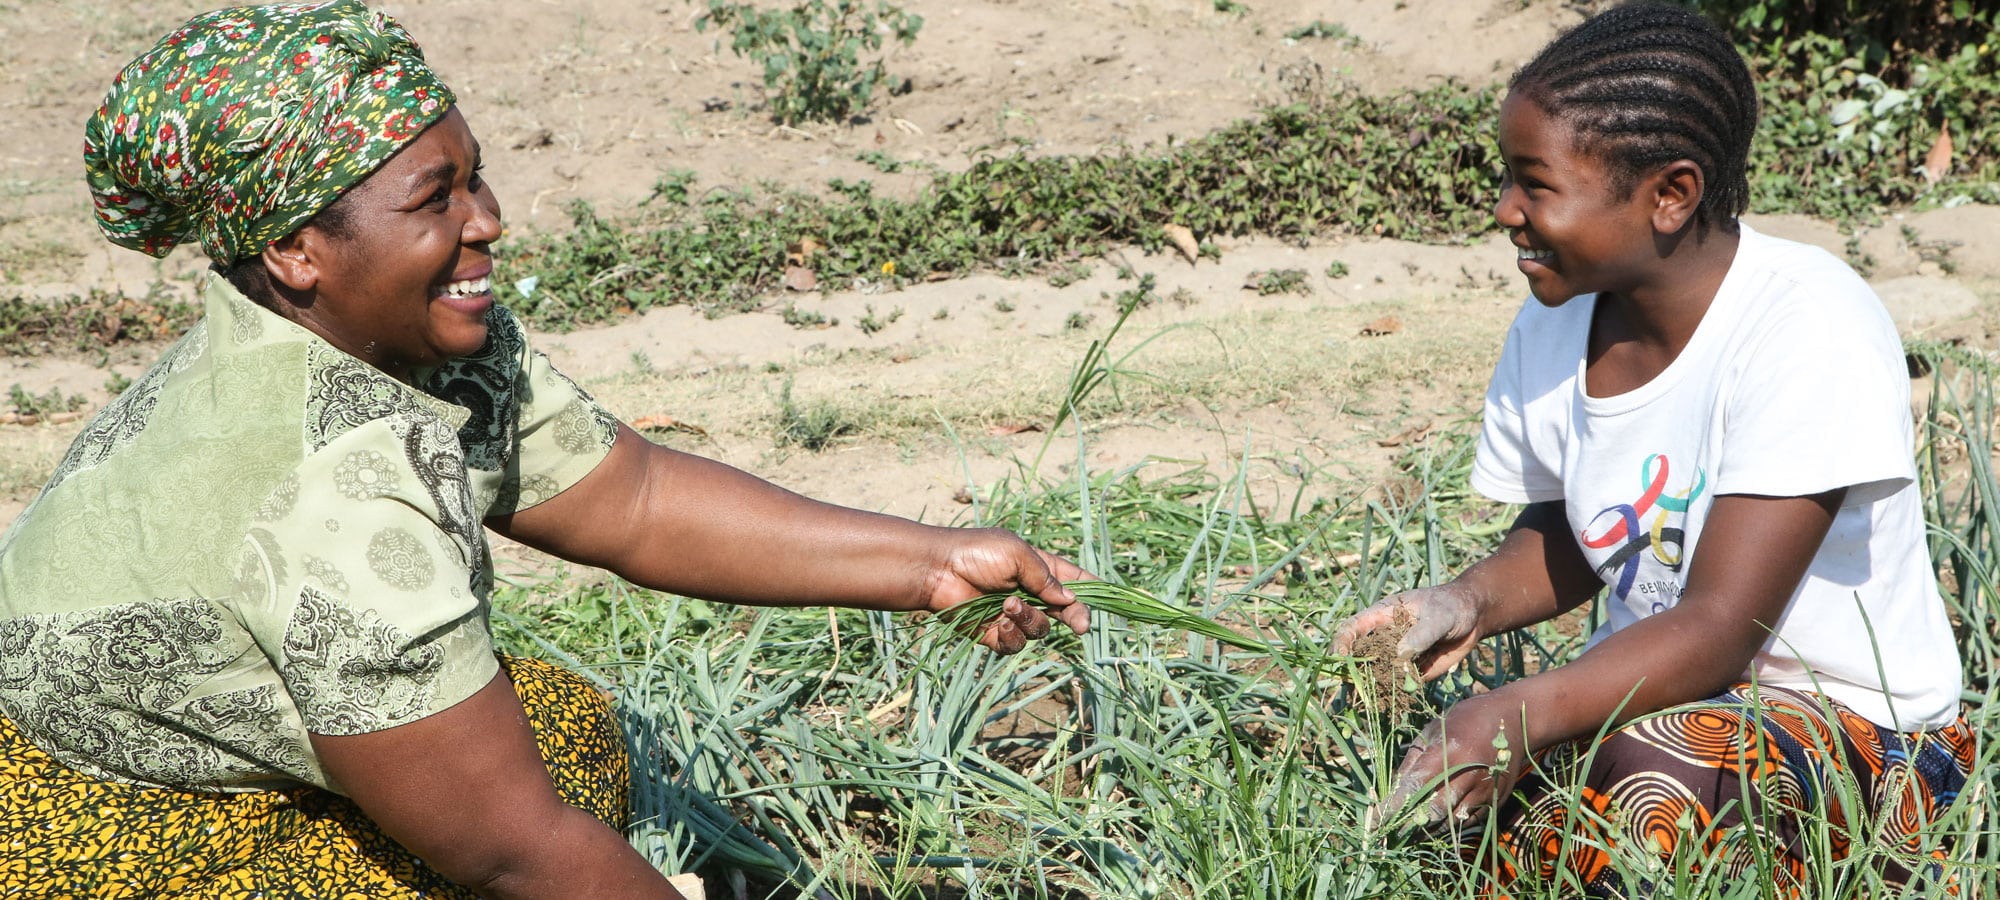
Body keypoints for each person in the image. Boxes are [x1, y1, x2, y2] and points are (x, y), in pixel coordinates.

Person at [0, 3, 1090, 897]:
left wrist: (932, 564)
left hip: (194, 742)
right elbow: (515, 850)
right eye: (436, 198)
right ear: (296, 251)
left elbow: (634, 498)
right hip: (111, 833)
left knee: (566, 734)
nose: (489, 220)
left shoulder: (400, 334)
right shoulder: (332, 499)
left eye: (473, 175)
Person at [1332, 2, 1973, 893]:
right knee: (1472, 807)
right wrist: (1463, 602)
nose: (1506, 211)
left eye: (1536, 184)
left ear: (1669, 195)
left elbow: (1718, 630)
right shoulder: (1555, 323)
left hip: (1863, 734)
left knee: (1641, 780)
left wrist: (1518, 710)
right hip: (1670, 704)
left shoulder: (1806, 326)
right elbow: (1578, 530)